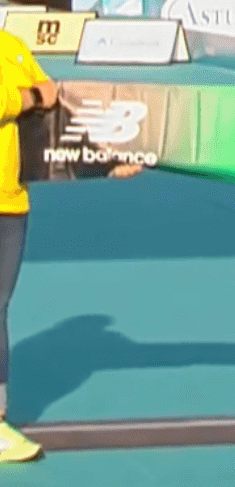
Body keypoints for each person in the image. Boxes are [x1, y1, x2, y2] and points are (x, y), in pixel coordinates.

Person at [0, 28, 141, 464]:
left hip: (10, 203)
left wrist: (107, 159)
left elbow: (57, 112)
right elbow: (31, 100)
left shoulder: (13, 47)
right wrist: (28, 97)